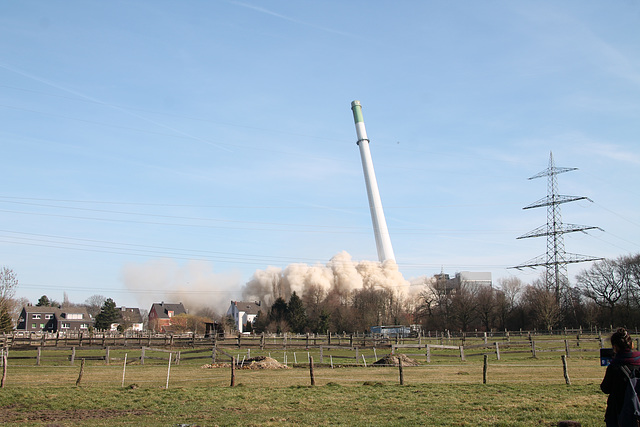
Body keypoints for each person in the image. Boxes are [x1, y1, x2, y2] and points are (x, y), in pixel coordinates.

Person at [600, 328, 640, 426]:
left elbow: (605, 388)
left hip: (618, 412)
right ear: (632, 345)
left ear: (615, 347)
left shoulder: (614, 367)